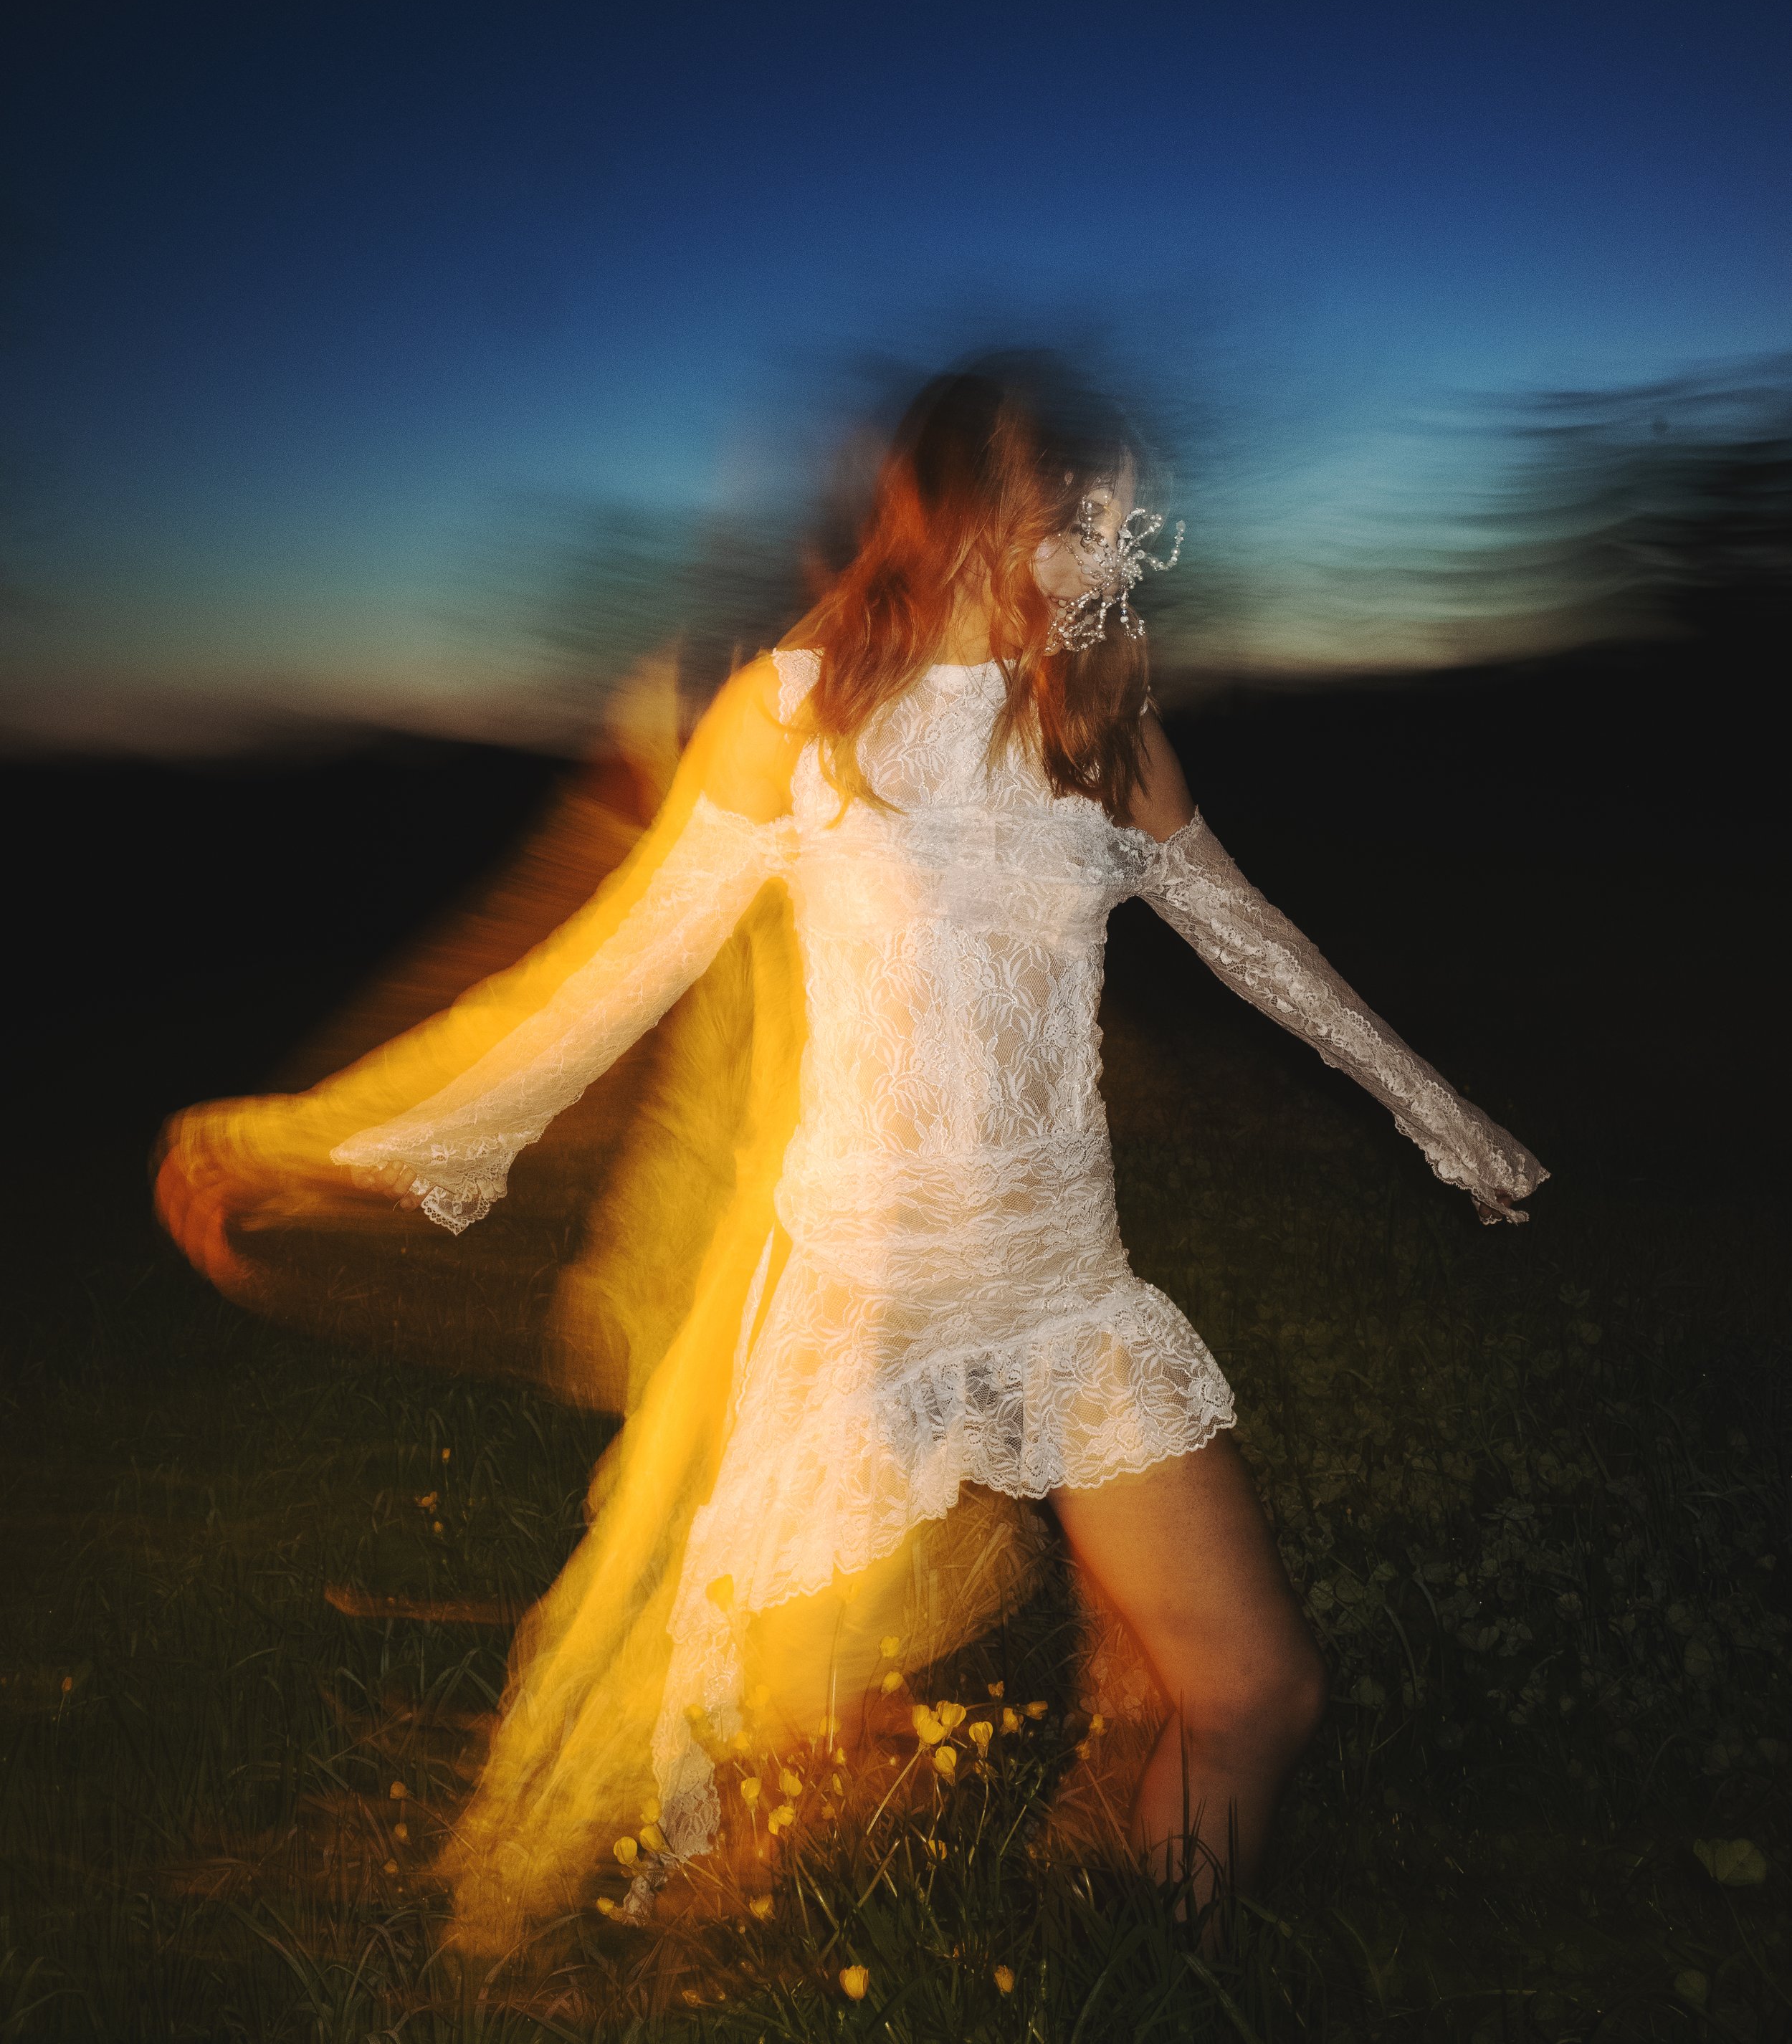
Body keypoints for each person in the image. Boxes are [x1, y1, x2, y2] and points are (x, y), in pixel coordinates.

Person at [158, 355, 1545, 1934]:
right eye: (1070, 518)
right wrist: (328, 1143)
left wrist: (1445, 1117)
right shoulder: (791, 722)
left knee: (1255, 1690)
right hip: (863, 1316)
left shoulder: (1099, 732)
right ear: (961, 512)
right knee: (767, 1801)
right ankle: (740, 1971)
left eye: (1113, 529)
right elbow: (602, 979)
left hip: (1065, 1294)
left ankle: (1137, 1966)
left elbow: (1254, 942)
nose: (1100, 557)